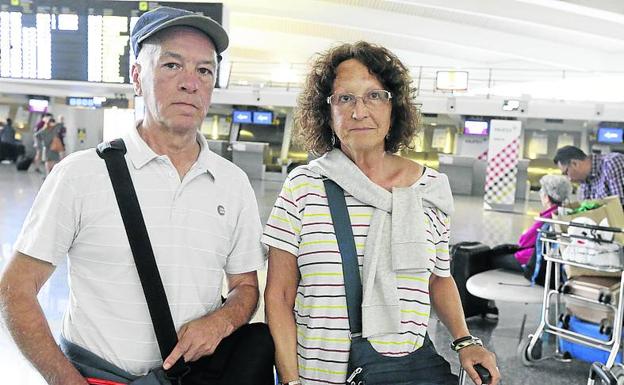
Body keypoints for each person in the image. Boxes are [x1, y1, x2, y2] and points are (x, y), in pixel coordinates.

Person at [0, 6, 273, 385]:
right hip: (100, 376)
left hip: (193, 377)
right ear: (137, 77)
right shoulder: (81, 174)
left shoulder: (233, 183)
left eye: (204, 70)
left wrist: (222, 320)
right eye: (172, 65)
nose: (190, 83)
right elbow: (16, 288)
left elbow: (245, 287)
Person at [263, 41, 499, 385]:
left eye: (374, 96)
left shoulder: (429, 189)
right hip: (319, 372)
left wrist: (465, 340)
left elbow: (438, 278)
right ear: (327, 111)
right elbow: (279, 295)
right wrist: (290, 380)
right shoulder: (304, 186)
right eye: (345, 98)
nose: (360, 111)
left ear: (394, 107)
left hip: (406, 370)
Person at [554, 145, 624, 205]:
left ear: (574, 164)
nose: (569, 179)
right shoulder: (584, 183)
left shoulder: (611, 163)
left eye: (566, 173)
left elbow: (620, 204)